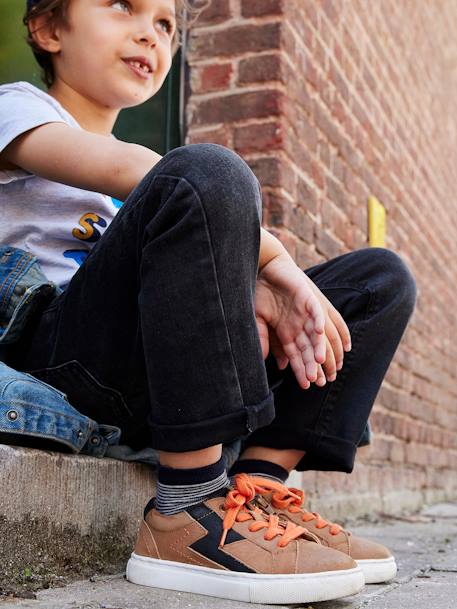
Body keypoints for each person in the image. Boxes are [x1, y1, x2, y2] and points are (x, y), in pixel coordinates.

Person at [0, 0, 416, 603]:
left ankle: (257, 489)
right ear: (47, 27)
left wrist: (252, 290)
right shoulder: (18, 110)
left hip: (160, 383)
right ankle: (188, 508)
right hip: (66, 360)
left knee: (378, 280)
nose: (150, 32)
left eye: (167, 25)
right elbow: (138, 169)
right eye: (122, 6)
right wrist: (273, 265)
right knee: (206, 172)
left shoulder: (154, 191)